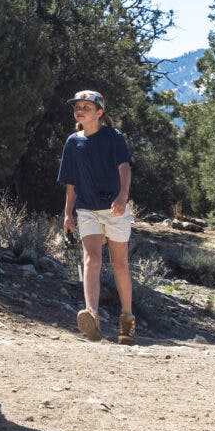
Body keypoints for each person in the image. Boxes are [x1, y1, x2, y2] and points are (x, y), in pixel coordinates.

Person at [57, 89, 134, 343]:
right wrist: (67, 214)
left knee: (119, 264)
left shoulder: (114, 137)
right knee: (91, 259)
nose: (80, 111)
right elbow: (70, 182)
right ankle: (92, 315)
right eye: (77, 107)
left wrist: (122, 197)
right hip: (86, 209)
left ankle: (127, 319)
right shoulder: (72, 142)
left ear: (100, 112)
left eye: (86, 107)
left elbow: (124, 167)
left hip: (114, 209)